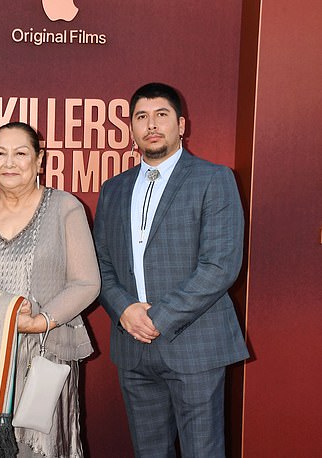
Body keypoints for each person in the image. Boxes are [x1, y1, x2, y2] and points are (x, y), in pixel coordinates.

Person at [94, 82, 249, 457]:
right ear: (131, 128)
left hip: (194, 345)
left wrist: (158, 317)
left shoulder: (214, 179)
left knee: (202, 451)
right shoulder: (113, 189)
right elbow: (100, 262)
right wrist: (125, 311)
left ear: (181, 125)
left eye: (161, 115)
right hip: (132, 345)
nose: (151, 125)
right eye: (141, 117)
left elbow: (220, 265)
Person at [0, 122, 100, 457]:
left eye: (20, 153)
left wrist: (40, 321)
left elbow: (87, 282)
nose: (9, 162)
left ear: (39, 161)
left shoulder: (64, 208)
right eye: (0, 154)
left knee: (40, 449)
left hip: (46, 354)